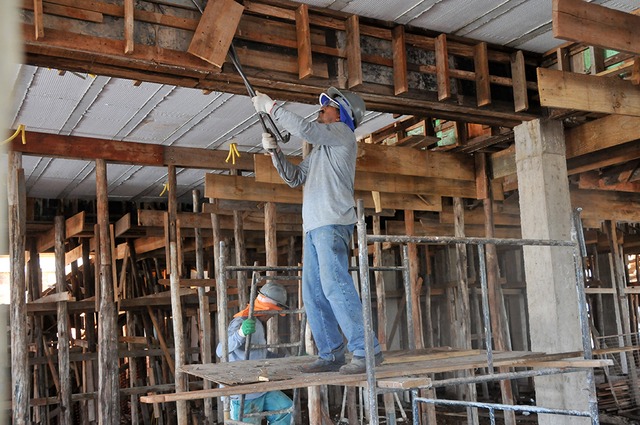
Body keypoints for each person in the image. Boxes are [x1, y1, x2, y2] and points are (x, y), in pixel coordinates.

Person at [251, 87, 383, 375]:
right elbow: (294, 177)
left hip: (333, 222)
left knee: (335, 285)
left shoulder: (341, 134)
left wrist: (271, 108)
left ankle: (365, 350)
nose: (320, 110)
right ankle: (331, 353)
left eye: (326, 107)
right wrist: (274, 152)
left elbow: (306, 130)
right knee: (313, 293)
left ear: (341, 113)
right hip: (314, 227)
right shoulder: (323, 149)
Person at [216, 282, 293, 424]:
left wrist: (288, 359)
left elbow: (260, 355)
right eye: (274, 313)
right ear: (268, 309)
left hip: (259, 386)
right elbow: (221, 350)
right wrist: (240, 333)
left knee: (286, 408)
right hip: (242, 391)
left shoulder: (258, 324)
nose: (272, 317)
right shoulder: (241, 321)